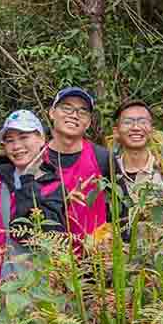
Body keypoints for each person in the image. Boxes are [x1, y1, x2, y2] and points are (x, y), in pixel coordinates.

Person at [0, 110, 67, 284]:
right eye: (9, 140)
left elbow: (48, 237)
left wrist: (28, 181)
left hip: (34, 284)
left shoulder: (53, 185)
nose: (16, 146)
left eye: (24, 137)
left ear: (41, 139)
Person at [44, 87, 112, 244]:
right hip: (46, 258)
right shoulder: (35, 158)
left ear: (88, 122)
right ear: (52, 112)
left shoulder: (102, 158)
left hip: (95, 261)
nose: (74, 115)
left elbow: (119, 209)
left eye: (82, 112)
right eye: (67, 108)